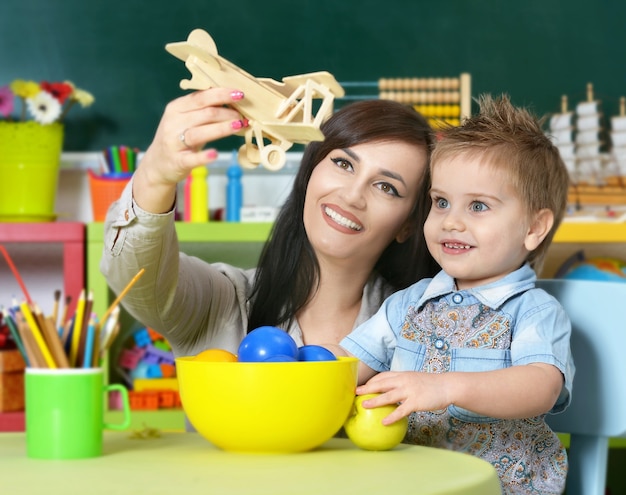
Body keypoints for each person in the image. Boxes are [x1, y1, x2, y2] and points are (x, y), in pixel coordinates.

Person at [328, 94, 575, 495]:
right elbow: (347, 364)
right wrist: (297, 370)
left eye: (478, 205)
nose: (451, 221)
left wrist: (445, 387)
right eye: (440, 202)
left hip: (500, 486)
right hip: (411, 481)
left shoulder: (532, 311)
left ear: (534, 227)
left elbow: (539, 387)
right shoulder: (408, 304)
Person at [100, 89, 440, 359]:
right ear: (310, 172)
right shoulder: (223, 304)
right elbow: (138, 280)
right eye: (343, 163)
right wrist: (156, 177)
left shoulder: (420, 328)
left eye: (387, 187)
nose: (353, 196)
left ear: (407, 225)